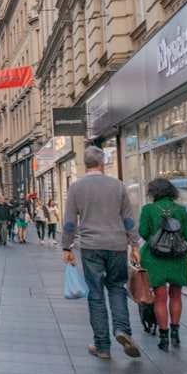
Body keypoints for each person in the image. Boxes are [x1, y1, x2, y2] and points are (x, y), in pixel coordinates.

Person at [63, 145, 141, 359]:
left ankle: (102, 346)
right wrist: (134, 245)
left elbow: (70, 221)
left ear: (86, 164)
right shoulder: (117, 186)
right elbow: (128, 218)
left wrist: (66, 247)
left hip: (91, 246)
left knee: (96, 294)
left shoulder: (76, 188)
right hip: (117, 245)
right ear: (103, 162)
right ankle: (122, 329)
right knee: (117, 287)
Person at [138, 178, 187, 350]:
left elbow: (143, 232)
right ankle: (175, 334)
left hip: (155, 258)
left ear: (153, 192)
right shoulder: (179, 210)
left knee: (160, 298)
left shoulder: (148, 209)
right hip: (177, 258)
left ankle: (163, 337)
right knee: (176, 295)